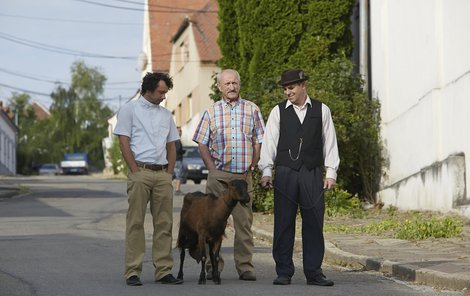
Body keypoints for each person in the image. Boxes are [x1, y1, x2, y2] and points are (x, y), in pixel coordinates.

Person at [259, 69, 340, 286]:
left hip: (312, 172)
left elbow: (330, 141)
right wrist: (266, 171)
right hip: (285, 171)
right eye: (285, 88)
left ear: (303, 85)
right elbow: (269, 143)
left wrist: (330, 172)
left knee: (314, 221)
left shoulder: (322, 110)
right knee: (283, 222)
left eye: (292, 87)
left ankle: (314, 272)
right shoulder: (278, 112)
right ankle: (284, 271)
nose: (288, 92)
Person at [192, 69, 265, 281]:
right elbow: (202, 142)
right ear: (220, 87)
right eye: (227, 84)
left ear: (239, 85)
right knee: (212, 224)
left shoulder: (252, 109)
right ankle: (213, 266)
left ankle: (245, 267)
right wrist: (211, 168)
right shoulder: (211, 112)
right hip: (219, 177)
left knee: (244, 225)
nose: (231, 87)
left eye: (234, 83)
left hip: (242, 178)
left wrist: (253, 163)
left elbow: (258, 139)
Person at [114, 72, 183, 286]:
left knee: (164, 223)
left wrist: (169, 173)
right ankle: (132, 271)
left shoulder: (166, 115)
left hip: (162, 174)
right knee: (135, 223)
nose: (164, 96)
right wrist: (134, 169)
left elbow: (172, 145)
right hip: (140, 172)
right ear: (149, 89)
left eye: (166, 92)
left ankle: (163, 271)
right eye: (161, 92)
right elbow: (124, 142)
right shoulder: (129, 110)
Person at [174, 127, 186, 195]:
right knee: (179, 175)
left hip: (173, 160)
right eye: (179, 131)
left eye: (181, 131)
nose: (181, 132)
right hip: (177, 160)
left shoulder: (172, 140)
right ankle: (177, 190)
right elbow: (177, 150)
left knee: (172, 175)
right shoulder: (177, 140)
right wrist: (182, 152)